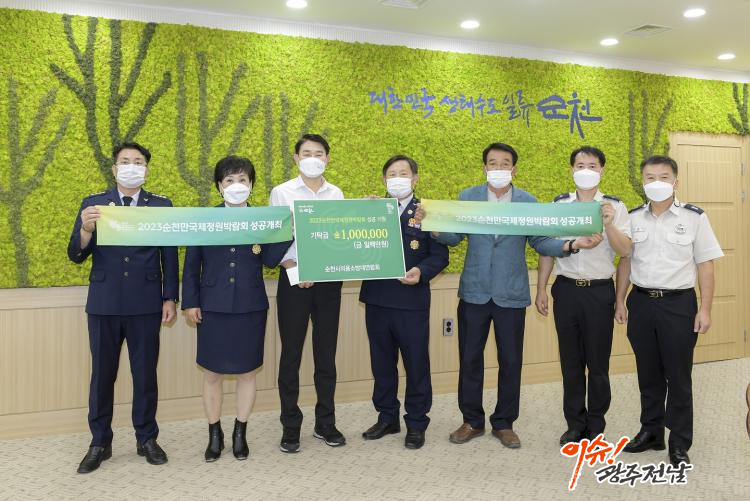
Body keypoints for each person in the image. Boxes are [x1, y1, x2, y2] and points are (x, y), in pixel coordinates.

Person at [415, 142, 602, 449]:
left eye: (505, 163)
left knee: (511, 361)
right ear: (485, 168)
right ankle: (472, 421)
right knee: (470, 360)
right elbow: (453, 236)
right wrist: (432, 225)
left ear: (514, 169)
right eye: (493, 163)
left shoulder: (527, 202)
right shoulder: (469, 197)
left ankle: (504, 423)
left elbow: (541, 242)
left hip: (511, 294)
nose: (498, 168)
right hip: (474, 292)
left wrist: (571, 245)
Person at [68, 142, 178, 473]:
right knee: (102, 375)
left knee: (145, 375)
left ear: (146, 169)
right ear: (115, 169)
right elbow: (76, 254)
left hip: (146, 303)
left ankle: (147, 438)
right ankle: (99, 442)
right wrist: (86, 229)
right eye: (125, 161)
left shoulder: (161, 206)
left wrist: (169, 297)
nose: (132, 166)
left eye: (138, 161)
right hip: (104, 303)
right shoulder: (93, 205)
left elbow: (169, 256)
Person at [182, 156, 292, 462]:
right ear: (219, 186)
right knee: (212, 374)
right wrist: (190, 302)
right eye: (229, 180)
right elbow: (191, 266)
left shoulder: (262, 220)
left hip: (250, 306)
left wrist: (289, 228)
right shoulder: (204, 219)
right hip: (212, 307)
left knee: (247, 374)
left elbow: (270, 260)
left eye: (242, 179)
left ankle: (240, 433)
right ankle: (214, 434)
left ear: (251, 184)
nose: (236, 185)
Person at [615, 155, 723, 467]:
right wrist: (620, 300)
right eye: (650, 177)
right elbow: (625, 262)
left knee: (678, 376)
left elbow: (706, 266)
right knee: (648, 373)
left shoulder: (694, 217)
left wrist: (705, 309)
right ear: (643, 182)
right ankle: (651, 432)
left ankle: (679, 441)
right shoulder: (633, 218)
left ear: (676, 182)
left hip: (679, 304)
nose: (656, 182)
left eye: (663, 177)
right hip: (641, 302)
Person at [535, 146, 631, 445]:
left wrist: (609, 223)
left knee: (598, 364)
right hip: (566, 290)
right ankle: (575, 424)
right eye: (580, 165)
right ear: (572, 170)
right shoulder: (559, 205)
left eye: (592, 165)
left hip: (599, 292)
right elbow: (547, 249)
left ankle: (596, 424)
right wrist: (541, 288)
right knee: (570, 363)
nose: (586, 170)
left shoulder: (615, 206)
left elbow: (625, 251)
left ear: (602, 170)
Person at [359, 155, 449, 449]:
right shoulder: (372, 211)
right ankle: (387, 417)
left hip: (411, 301)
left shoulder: (426, 212)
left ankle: (416, 422)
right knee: (381, 364)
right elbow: (350, 244)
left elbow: (440, 256)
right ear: (384, 180)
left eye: (403, 173)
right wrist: (359, 212)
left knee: (416, 363)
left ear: (415, 179)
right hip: (377, 299)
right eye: (391, 174)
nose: (397, 178)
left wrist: (421, 271)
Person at [269, 134, 346, 452]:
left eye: (319, 153)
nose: (313, 158)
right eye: (306, 153)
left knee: (326, 355)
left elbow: (339, 237)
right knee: (291, 355)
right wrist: (296, 270)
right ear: (296, 158)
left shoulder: (336, 193)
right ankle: (290, 426)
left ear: (327, 158)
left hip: (328, 282)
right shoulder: (281, 192)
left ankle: (325, 423)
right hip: (294, 281)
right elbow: (274, 239)